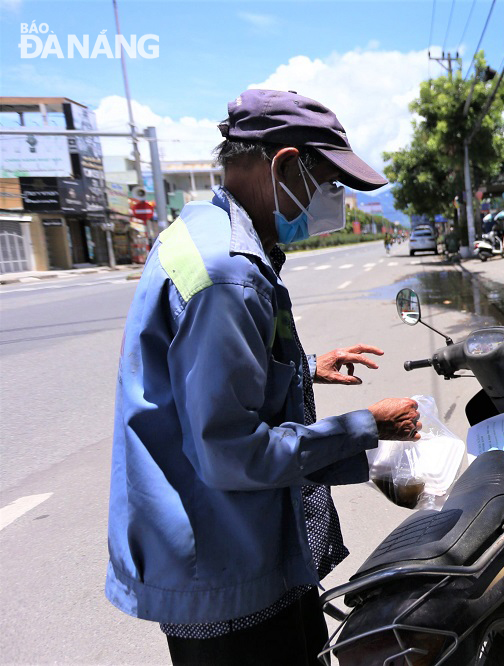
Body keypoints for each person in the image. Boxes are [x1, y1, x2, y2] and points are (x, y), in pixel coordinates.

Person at [105, 89, 422, 666]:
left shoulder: (203, 233)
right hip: (225, 573)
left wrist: (302, 368)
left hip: (222, 553)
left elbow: (207, 381)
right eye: (327, 183)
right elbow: (232, 451)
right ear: (283, 166)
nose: (335, 201)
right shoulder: (229, 274)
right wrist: (364, 428)